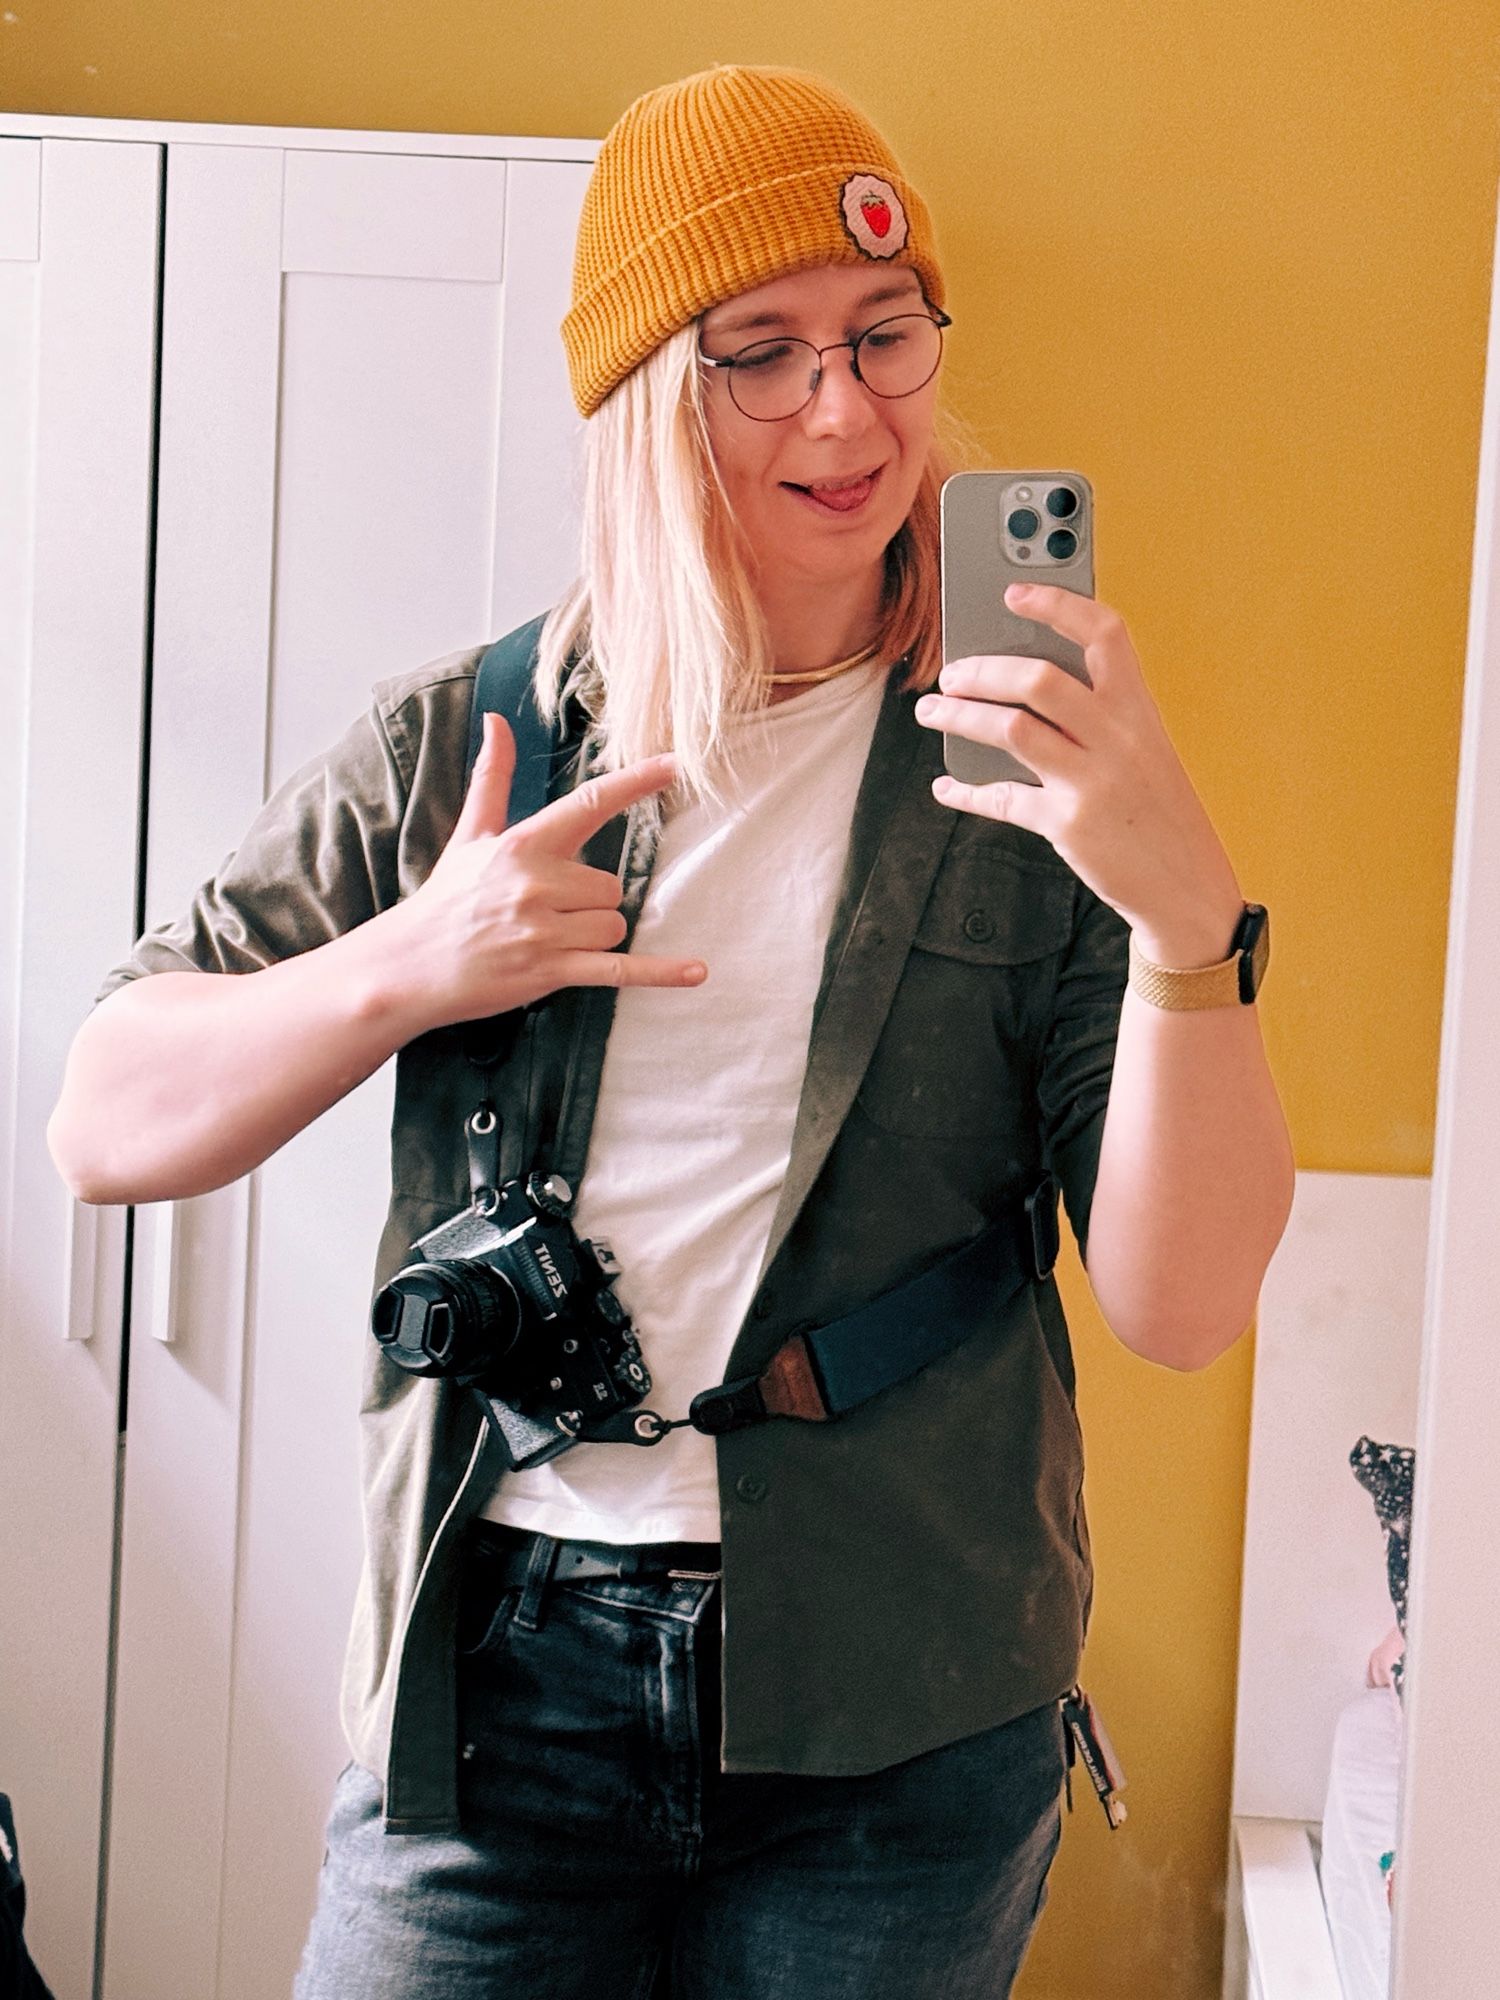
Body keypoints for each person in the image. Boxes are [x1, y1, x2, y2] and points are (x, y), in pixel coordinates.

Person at [49, 63, 1295, 2000]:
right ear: (646, 397)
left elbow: (1184, 1300)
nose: (845, 408)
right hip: (493, 1673)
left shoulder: (1035, 775)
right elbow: (103, 1115)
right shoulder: (460, 744)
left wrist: (1182, 924)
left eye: (885, 337)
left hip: (908, 1687)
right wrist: (408, 960)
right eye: (762, 353)